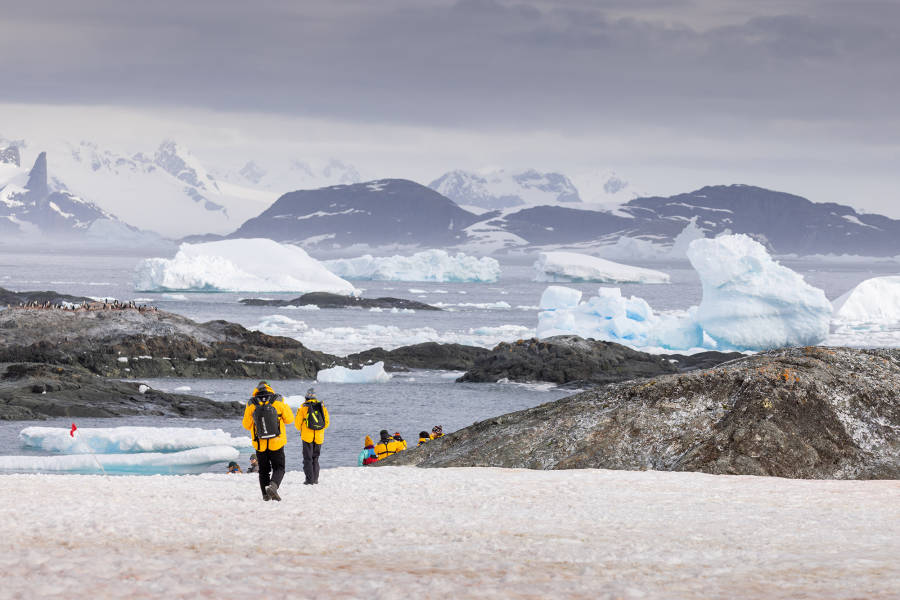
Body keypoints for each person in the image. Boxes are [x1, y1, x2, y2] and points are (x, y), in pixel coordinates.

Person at [242, 381, 294, 501]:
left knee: (264, 471)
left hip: (260, 443)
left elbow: (246, 425)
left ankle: (265, 495)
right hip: (277, 442)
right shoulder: (278, 400)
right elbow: (289, 419)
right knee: (279, 468)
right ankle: (273, 486)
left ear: (257, 390)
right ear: (270, 388)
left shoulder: (251, 403)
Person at [295, 387, 329, 485]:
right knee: (315, 458)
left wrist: (305, 427)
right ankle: (315, 479)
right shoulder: (322, 406)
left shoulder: (303, 407)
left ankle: (309, 480)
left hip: (307, 437)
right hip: (319, 437)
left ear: (306, 397)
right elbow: (326, 423)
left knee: (307, 458)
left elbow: (297, 424)